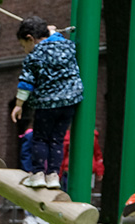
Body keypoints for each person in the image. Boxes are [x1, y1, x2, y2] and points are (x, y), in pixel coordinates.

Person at [10, 17, 84, 190]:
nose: (25, 50)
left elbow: (26, 83)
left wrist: (19, 104)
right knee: (57, 140)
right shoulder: (67, 46)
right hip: (69, 101)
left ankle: (37, 175)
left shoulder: (34, 56)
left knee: (40, 138)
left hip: (46, 103)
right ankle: (53, 176)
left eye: (23, 45)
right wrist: (51, 32)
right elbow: (54, 38)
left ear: (30, 38)